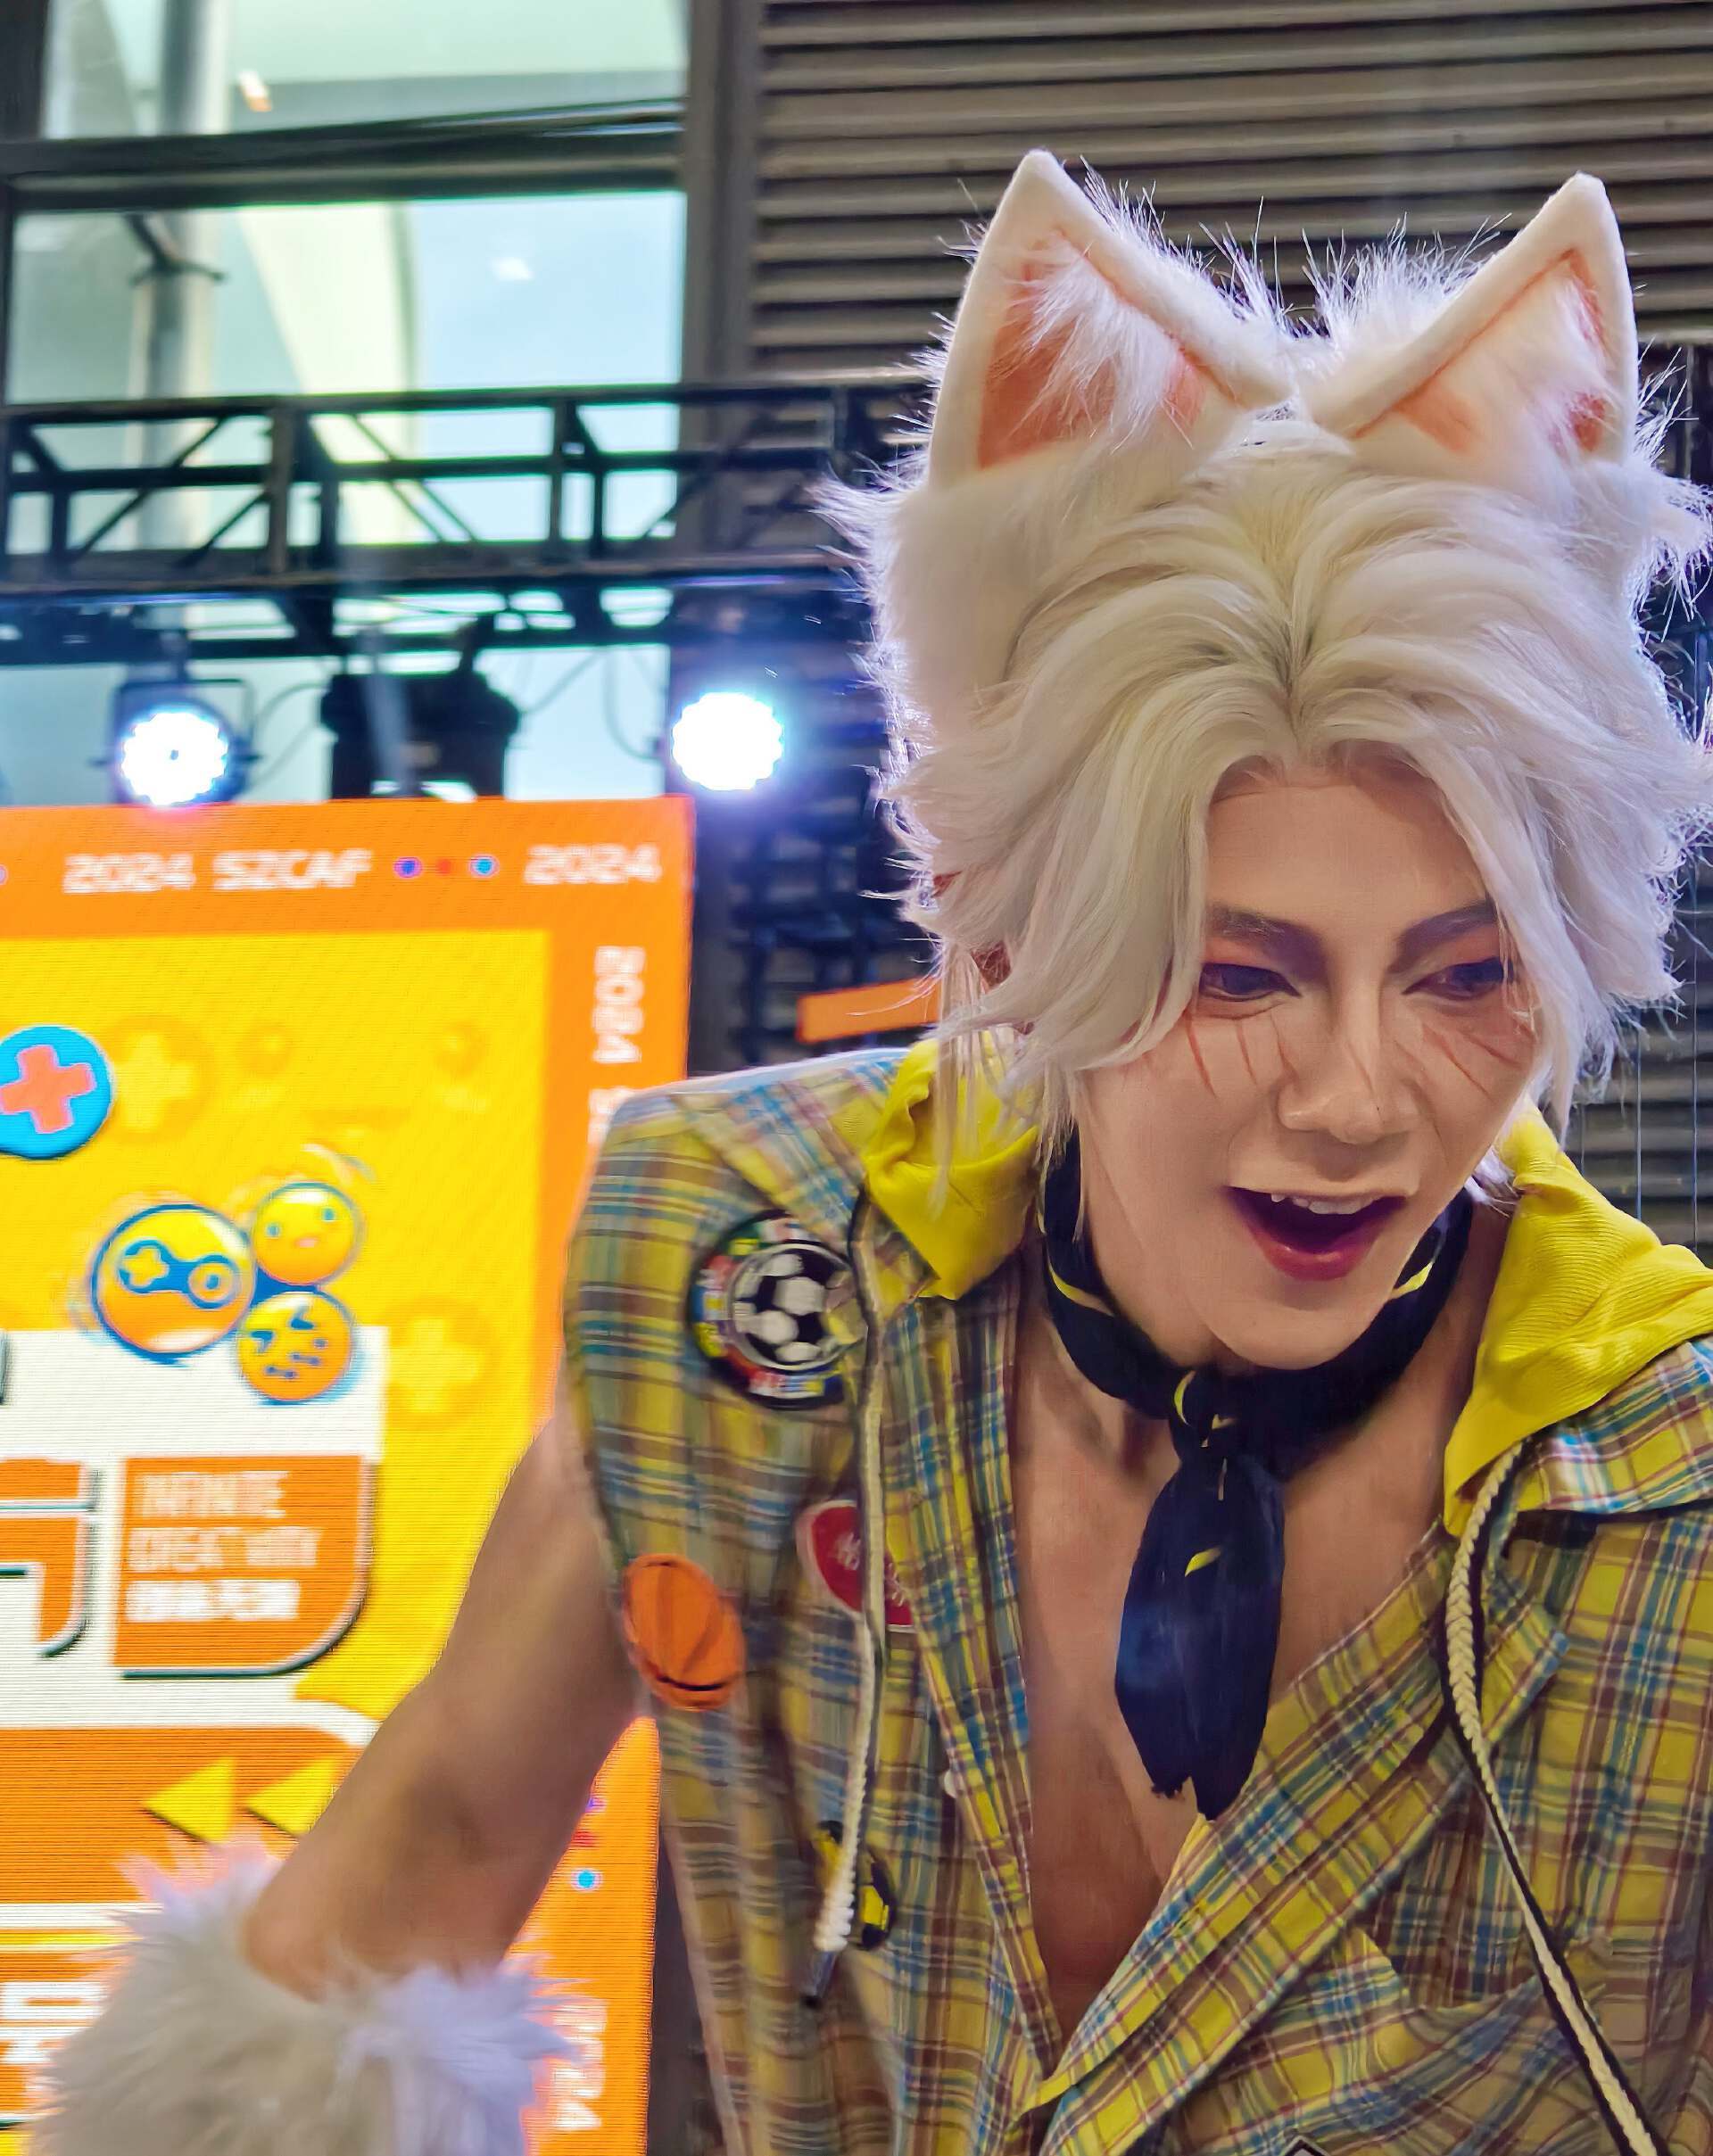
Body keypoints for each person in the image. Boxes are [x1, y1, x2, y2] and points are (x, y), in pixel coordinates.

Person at [39, 152, 1713, 2156]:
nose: (1363, 1097)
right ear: (1010, 940)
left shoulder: (1678, 1489)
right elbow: (434, 1846)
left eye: (1466, 975)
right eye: (1238, 973)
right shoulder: (733, 1267)